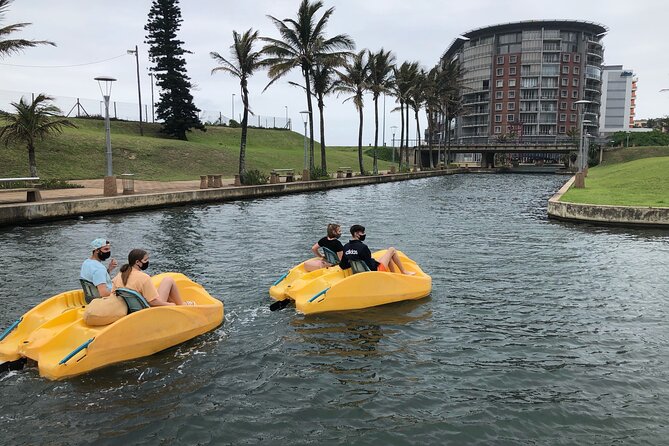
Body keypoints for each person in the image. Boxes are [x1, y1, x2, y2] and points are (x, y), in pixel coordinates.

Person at [112, 249, 193, 307]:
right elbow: (153, 302)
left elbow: (113, 294)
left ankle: (179, 304)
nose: (147, 262)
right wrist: (171, 305)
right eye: (145, 260)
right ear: (137, 262)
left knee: (159, 288)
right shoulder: (143, 277)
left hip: (131, 307)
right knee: (168, 280)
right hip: (148, 308)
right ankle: (182, 305)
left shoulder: (120, 274)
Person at [340, 224, 415, 275]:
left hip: (359, 271)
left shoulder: (346, 247)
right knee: (392, 250)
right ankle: (404, 271)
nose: (364, 234)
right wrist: (376, 262)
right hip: (374, 272)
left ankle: (393, 275)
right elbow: (371, 266)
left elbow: (343, 265)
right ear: (356, 234)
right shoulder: (363, 247)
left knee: (387, 257)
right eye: (362, 232)